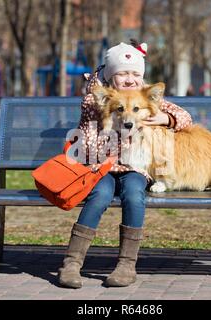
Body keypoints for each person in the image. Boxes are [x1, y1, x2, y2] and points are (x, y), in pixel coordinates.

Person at [58, 41, 193, 288]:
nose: (130, 79)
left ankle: (126, 264)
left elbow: (185, 118)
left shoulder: (145, 96)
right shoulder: (95, 100)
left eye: (135, 73)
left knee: (133, 195)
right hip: (103, 167)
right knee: (99, 196)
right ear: (111, 76)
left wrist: (165, 117)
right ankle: (72, 263)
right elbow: (86, 144)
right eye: (122, 73)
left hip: (135, 169)